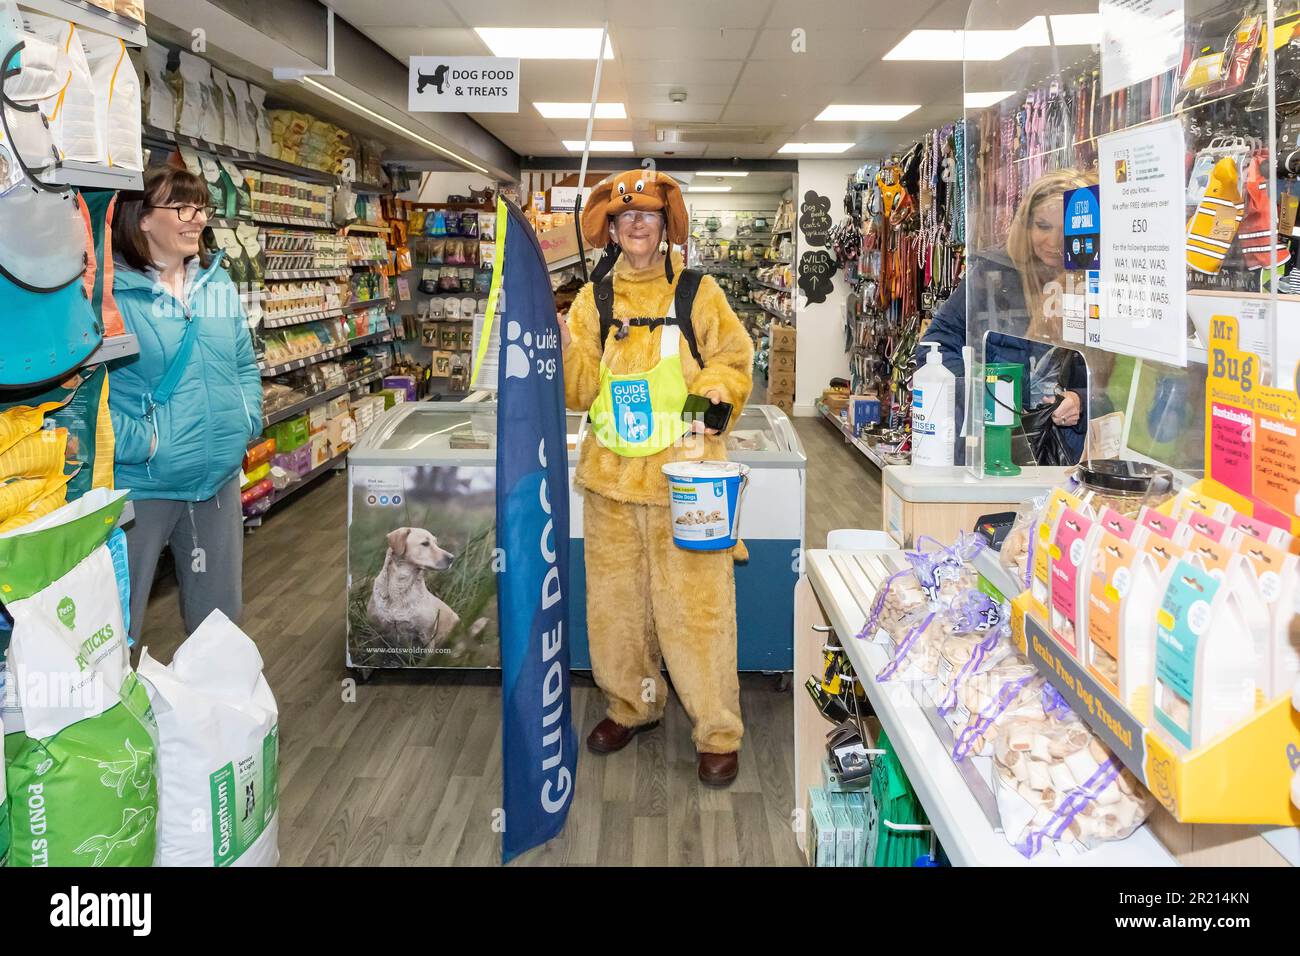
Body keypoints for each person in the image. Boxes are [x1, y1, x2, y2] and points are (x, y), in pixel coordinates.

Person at [559, 169, 754, 786]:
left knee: (699, 610)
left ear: (665, 226)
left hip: (687, 481)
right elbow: (579, 389)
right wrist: (555, 339)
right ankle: (632, 703)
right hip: (610, 480)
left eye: (648, 214)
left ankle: (717, 729)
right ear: (611, 229)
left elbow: (730, 359)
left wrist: (706, 412)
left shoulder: (700, 292)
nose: (637, 224)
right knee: (616, 608)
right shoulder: (593, 301)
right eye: (625, 216)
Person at [108, 165, 262, 642]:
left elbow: (242, 362)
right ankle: (116, 714)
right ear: (143, 219)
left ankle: (217, 711)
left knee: (220, 626)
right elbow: (89, 393)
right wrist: (147, 442)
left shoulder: (217, 284)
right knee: (118, 625)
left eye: (202, 208)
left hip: (216, 478)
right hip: (146, 483)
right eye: (183, 208)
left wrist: (246, 420)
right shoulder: (111, 294)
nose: (197, 218)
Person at [923, 167, 1097, 463]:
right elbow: (936, 343)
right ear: (1026, 226)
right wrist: (980, 389)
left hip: (1066, 454)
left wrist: (1081, 398)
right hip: (992, 445)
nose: (1055, 242)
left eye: (1066, 228)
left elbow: (1115, 378)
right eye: (1043, 226)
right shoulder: (992, 275)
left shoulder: (1095, 283)